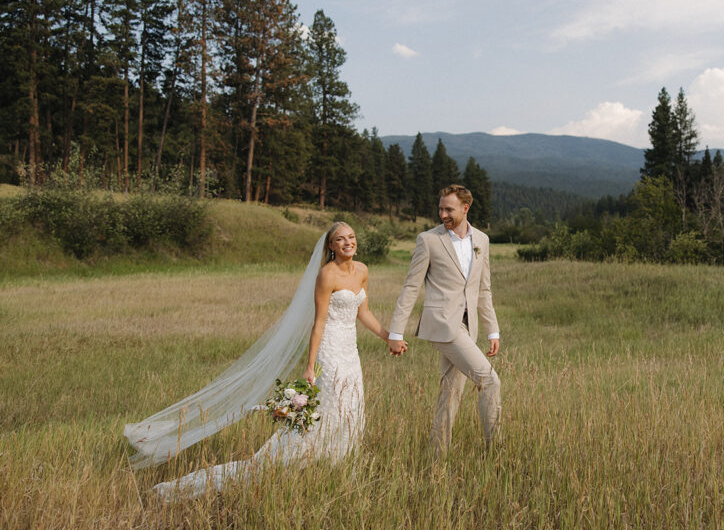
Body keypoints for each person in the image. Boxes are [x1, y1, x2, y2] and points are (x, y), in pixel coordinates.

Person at [126, 222, 399, 499]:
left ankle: (336, 463)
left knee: (350, 405)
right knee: (328, 408)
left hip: (350, 351)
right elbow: (318, 323)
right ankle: (295, 460)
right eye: (340, 239)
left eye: (351, 237)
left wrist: (388, 337)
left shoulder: (363, 270)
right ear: (331, 246)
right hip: (329, 350)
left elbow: (363, 312)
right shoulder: (326, 276)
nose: (347, 242)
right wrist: (309, 366)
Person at [388, 184, 501, 454]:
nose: (443, 214)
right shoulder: (428, 240)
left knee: (450, 394)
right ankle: (495, 450)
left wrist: (492, 330)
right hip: (442, 324)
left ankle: (437, 454)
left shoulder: (481, 241)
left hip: (468, 326)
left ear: (466, 208)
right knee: (489, 380)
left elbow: (483, 289)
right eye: (440, 209)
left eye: (448, 209)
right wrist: (395, 332)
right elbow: (411, 287)